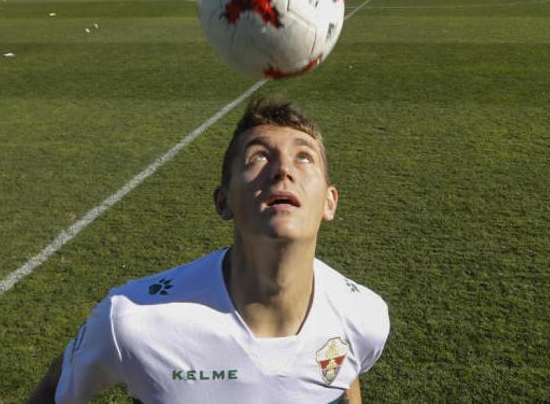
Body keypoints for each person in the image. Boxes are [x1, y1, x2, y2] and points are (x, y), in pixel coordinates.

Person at [29, 97, 389, 403]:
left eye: (304, 157)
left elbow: (346, 374)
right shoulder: (133, 320)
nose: (283, 169)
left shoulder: (364, 316)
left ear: (330, 202)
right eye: (259, 156)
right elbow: (53, 393)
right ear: (223, 201)